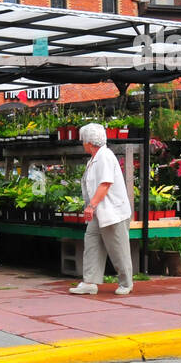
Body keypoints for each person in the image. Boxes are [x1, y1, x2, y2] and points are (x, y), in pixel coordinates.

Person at [70, 122, 135, 296]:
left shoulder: (105, 156)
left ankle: (126, 283)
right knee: (92, 244)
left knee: (118, 248)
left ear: (89, 142)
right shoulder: (95, 157)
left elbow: (105, 183)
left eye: (83, 140)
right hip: (100, 212)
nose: (81, 142)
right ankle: (90, 282)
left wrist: (91, 206)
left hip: (113, 213)